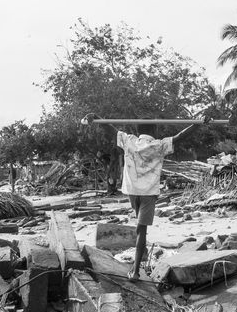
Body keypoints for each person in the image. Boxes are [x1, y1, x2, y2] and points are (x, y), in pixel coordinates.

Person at [82, 114, 205, 281]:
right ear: (153, 130)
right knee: (141, 231)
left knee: (140, 226)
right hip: (148, 192)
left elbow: (110, 129)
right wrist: (197, 124)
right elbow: (180, 137)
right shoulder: (159, 145)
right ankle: (135, 270)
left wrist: (96, 117)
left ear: (138, 130)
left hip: (132, 191)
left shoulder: (129, 140)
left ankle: (142, 254)